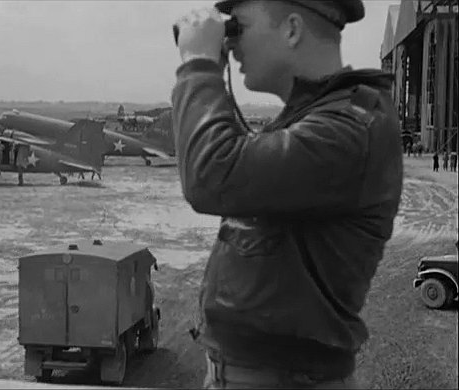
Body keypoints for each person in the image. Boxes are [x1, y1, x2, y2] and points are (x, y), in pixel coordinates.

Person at [172, 1, 403, 388]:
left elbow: (211, 175)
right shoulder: (319, 117)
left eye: (239, 28)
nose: (232, 46)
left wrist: (198, 64)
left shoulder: (348, 130)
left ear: (292, 29)